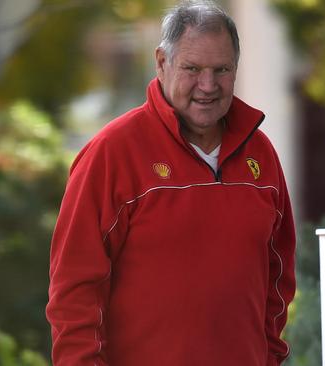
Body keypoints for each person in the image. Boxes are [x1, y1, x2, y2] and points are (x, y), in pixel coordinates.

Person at [46, 1, 296, 365]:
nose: (207, 86)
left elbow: (279, 275)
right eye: (192, 69)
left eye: (221, 69)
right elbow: (74, 290)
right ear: (162, 63)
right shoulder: (111, 154)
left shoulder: (262, 155)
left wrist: (270, 357)